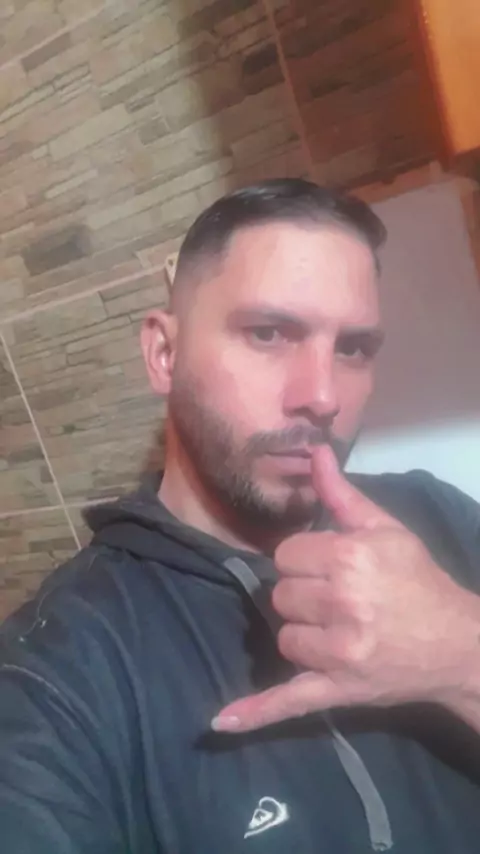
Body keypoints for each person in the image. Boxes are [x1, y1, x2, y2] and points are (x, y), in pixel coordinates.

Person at [0, 179, 479, 854]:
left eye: (353, 348)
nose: (322, 396)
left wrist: (460, 656)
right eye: (268, 333)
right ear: (164, 355)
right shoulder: (56, 672)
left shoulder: (436, 518)